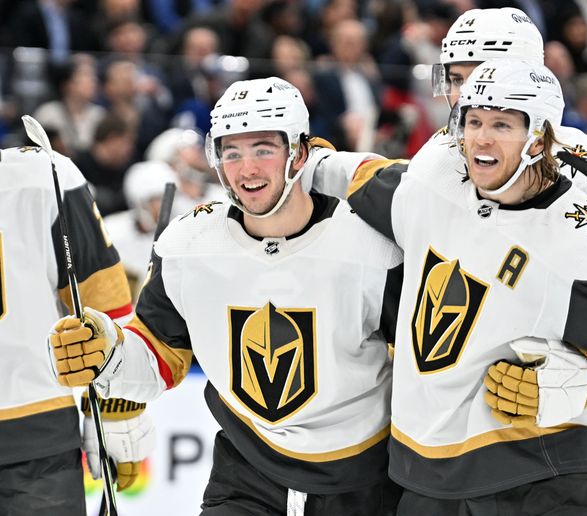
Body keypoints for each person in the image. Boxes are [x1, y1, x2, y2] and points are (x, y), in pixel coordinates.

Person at [343, 57, 587, 514]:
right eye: (473, 120)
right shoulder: (435, 173)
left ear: (541, 137)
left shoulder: (581, 230)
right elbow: (361, 179)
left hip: (540, 475)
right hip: (427, 477)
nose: (481, 137)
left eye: (502, 124)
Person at [47, 77, 402, 515]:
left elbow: (417, 357)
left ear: (301, 154)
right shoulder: (190, 244)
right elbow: (158, 353)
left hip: (361, 485)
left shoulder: (371, 246)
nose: (246, 168)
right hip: (246, 478)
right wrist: (107, 350)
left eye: (263, 149)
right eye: (231, 152)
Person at [0, 145, 151, 513]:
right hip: (38, 432)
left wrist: (117, 403)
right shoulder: (45, 174)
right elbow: (107, 303)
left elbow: (104, 306)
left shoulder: (47, 175)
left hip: (37, 433)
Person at [103, 160, 179, 300]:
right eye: (157, 198)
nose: (165, 204)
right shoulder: (113, 231)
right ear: (140, 201)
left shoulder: (180, 233)